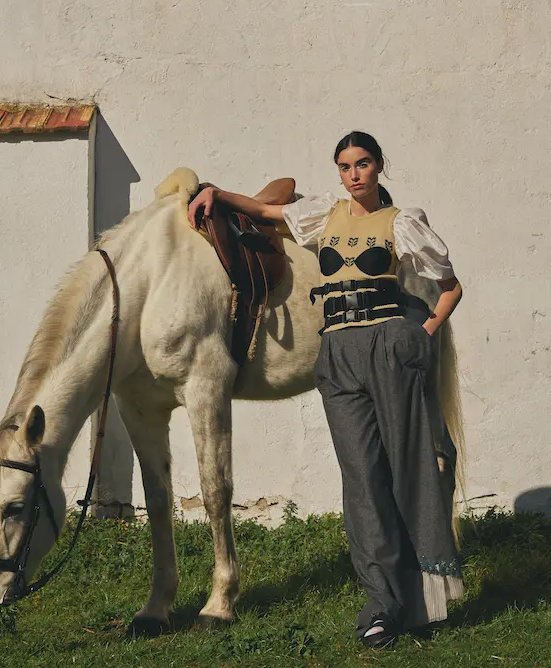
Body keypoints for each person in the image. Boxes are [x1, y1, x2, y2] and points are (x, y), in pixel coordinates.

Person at [187, 130, 463, 649]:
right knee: (360, 478)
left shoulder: (402, 222)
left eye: (362, 163)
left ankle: (422, 598)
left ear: (380, 165)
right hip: (336, 352)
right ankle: (381, 604)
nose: (353, 173)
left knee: (406, 468)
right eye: (344, 166)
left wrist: (421, 337)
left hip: (388, 344)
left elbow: (450, 287)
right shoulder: (323, 215)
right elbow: (266, 212)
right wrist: (216, 193)